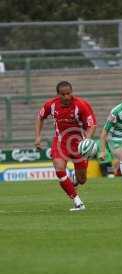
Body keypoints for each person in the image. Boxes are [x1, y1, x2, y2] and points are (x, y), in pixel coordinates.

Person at [34, 81, 97, 211]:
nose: (67, 97)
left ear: (72, 92)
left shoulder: (81, 105)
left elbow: (92, 124)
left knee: (82, 180)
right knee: (59, 168)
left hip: (79, 144)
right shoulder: (51, 105)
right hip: (60, 142)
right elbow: (40, 117)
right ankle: (77, 201)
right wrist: (38, 136)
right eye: (63, 94)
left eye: (69, 93)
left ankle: (74, 179)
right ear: (58, 94)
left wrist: (87, 140)